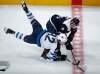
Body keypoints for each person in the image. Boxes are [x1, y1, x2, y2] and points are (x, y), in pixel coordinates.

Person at [4, 2, 68, 61]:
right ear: (59, 40)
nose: (63, 43)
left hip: (39, 30)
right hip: (35, 40)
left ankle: (26, 10)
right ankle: (12, 32)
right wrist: (59, 58)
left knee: (32, 19)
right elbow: (51, 57)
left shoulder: (55, 33)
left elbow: (57, 32)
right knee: (23, 37)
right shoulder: (54, 45)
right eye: (63, 42)